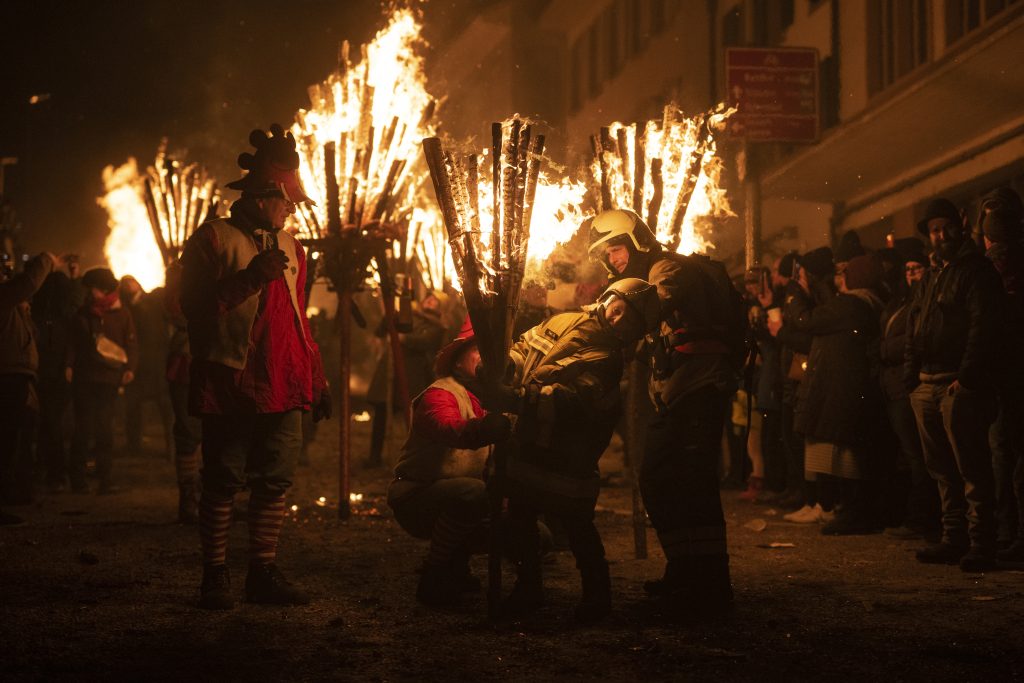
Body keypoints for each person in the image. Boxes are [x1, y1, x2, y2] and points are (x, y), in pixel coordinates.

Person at [180, 124, 331, 610]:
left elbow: (297, 317)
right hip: (231, 379)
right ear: (264, 196)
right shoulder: (212, 239)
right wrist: (248, 279)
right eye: (286, 201)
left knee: (275, 480)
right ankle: (214, 576)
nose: (291, 209)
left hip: (284, 381)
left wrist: (317, 376)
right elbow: (192, 309)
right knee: (223, 479)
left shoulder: (292, 248)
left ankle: (261, 572)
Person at [588, 209, 742, 613]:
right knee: (659, 479)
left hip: (701, 387)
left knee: (692, 483)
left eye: (617, 249)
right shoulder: (641, 277)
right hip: (677, 392)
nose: (614, 260)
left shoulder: (667, 268)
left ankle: (711, 584)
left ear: (637, 240)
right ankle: (685, 570)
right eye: (609, 255)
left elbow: (652, 304)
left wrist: (604, 315)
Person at [485, 277, 658, 622]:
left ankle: (597, 596)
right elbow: (523, 348)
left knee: (577, 523)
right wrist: (505, 367)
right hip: (530, 441)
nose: (618, 320)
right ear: (609, 299)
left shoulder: (608, 360)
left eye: (631, 321)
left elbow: (571, 400)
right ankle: (528, 588)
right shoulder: (562, 320)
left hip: (569, 453)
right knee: (520, 516)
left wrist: (517, 399)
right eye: (619, 309)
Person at [906, 197, 1005, 571]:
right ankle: (954, 539)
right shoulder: (932, 276)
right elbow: (917, 327)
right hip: (927, 385)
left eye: (946, 227)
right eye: (934, 230)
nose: (941, 235)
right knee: (942, 471)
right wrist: (911, 381)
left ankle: (982, 543)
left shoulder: (976, 271)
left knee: (970, 467)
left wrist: (967, 377)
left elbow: (983, 328)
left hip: (956, 386)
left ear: (960, 226)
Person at [387, 319, 511, 607]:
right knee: (470, 494)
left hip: (460, 498)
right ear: (456, 363)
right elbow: (446, 427)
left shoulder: (488, 399)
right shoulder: (440, 393)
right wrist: (484, 429)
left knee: (530, 533)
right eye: (477, 350)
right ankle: (435, 572)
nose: (486, 357)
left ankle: (457, 564)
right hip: (417, 497)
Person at [790, 251, 886, 535]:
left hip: (839, 390)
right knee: (843, 455)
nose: (839, 278)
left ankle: (853, 513)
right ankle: (848, 511)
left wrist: (797, 294)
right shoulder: (864, 304)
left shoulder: (852, 304)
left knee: (844, 457)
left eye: (845, 274)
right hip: (843, 388)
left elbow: (805, 321)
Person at [879, 238, 939, 540]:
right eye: (908, 269)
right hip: (894, 387)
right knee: (908, 455)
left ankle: (922, 519)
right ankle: (913, 515)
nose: (912, 274)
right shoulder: (901, 302)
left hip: (906, 385)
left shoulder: (923, 302)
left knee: (918, 456)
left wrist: (889, 354)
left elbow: (907, 342)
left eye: (917, 268)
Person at [978, 188, 1024, 560]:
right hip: (1007, 375)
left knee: (1006, 456)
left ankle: (1013, 536)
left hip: (1008, 375)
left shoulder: (993, 266)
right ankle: (1011, 535)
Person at [778, 247, 838, 524]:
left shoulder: (823, 301)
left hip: (817, 377)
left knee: (815, 440)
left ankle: (821, 501)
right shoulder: (816, 297)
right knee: (804, 441)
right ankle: (811, 498)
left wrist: (781, 330)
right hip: (803, 378)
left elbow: (808, 332)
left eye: (801, 273)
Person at [65, 267, 138, 495]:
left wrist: (130, 368)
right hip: (85, 378)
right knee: (83, 428)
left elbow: (131, 343)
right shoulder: (84, 313)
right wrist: (69, 365)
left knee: (105, 429)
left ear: (105, 289)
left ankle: (105, 478)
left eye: (94, 288)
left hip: (108, 379)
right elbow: (73, 342)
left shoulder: (122, 313)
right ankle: (78, 479)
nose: (91, 293)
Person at [0, 251, 59, 523]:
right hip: (7, 378)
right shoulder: (4, 296)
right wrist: (46, 259)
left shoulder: (13, 305)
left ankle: (14, 494)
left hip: (18, 377)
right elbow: (28, 283)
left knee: (15, 440)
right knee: (6, 442)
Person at [367, 291, 448, 467]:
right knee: (381, 415)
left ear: (442, 307)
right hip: (391, 371)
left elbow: (424, 342)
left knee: (411, 419)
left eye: (436, 300)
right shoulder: (408, 315)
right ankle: (374, 457)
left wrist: (402, 338)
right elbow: (382, 331)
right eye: (429, 297)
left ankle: (413, 459)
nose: (430, 301)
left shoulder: (438, 326)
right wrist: (390, 317)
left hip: (413, 376)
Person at [31, 269, 78, 493]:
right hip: (54, 376)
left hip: (48, 375)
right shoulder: (64, 317)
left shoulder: (41, 317)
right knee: (50, 424)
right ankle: (50, 471)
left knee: (49, 423)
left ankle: (53, 472)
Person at [165, 260, 203, 523]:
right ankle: (189, 499)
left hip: (216, 361)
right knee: (189, 432)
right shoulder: (180, 275)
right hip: (186, 364)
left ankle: (211, 498)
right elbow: (178, 311)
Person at [120, 275, 173, 459]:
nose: (128, 284)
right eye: (125, 282)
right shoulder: (124, 308)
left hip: (158, 363)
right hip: (137, 365)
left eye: (130, 280)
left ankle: (172, 447)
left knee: (166, 408)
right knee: (133, 407)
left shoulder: (154, 300)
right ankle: (133, 446)